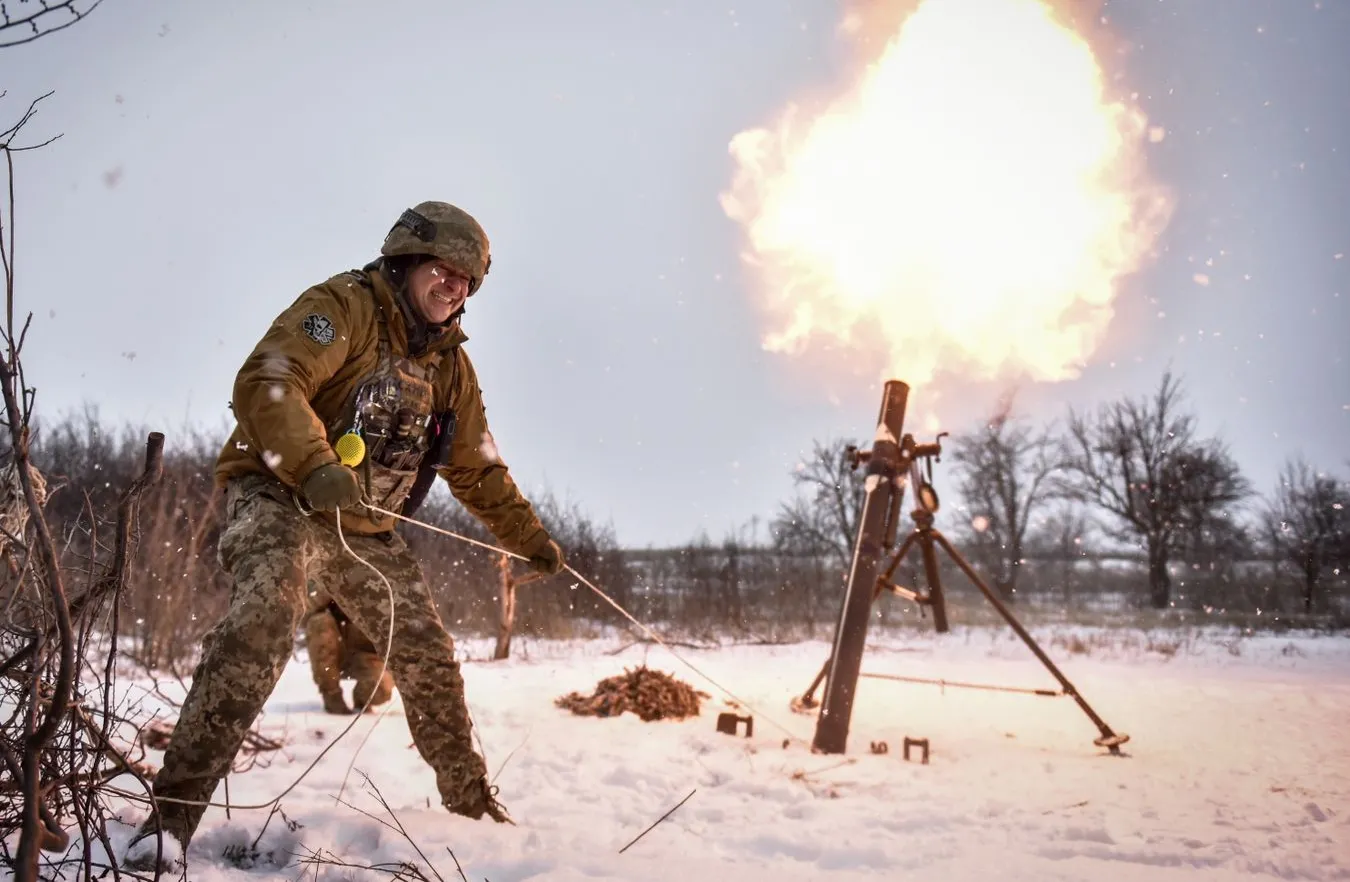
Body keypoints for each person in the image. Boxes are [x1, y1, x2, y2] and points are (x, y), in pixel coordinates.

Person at [125, 201, 564, 869]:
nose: (454, 288)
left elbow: (476, 466)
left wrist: (527, 536)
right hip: (282, 498)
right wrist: (315, 463)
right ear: (408, 261)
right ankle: (169, 823)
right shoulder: (344, 307)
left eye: (467, 282)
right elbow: (269, 379)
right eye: (444, 271)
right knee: (263, 623)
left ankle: (474, 813)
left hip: (366, 533)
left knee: (429, 659)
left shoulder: (450, 368)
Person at [303, 593, 395, 715]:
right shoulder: (336, 577)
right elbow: (304, 613)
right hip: (336, 649)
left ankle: (362, 697)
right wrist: (327, 590)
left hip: (366, 656)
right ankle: (331, 694)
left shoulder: (389, 584)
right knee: (319, 622)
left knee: (383, 686)